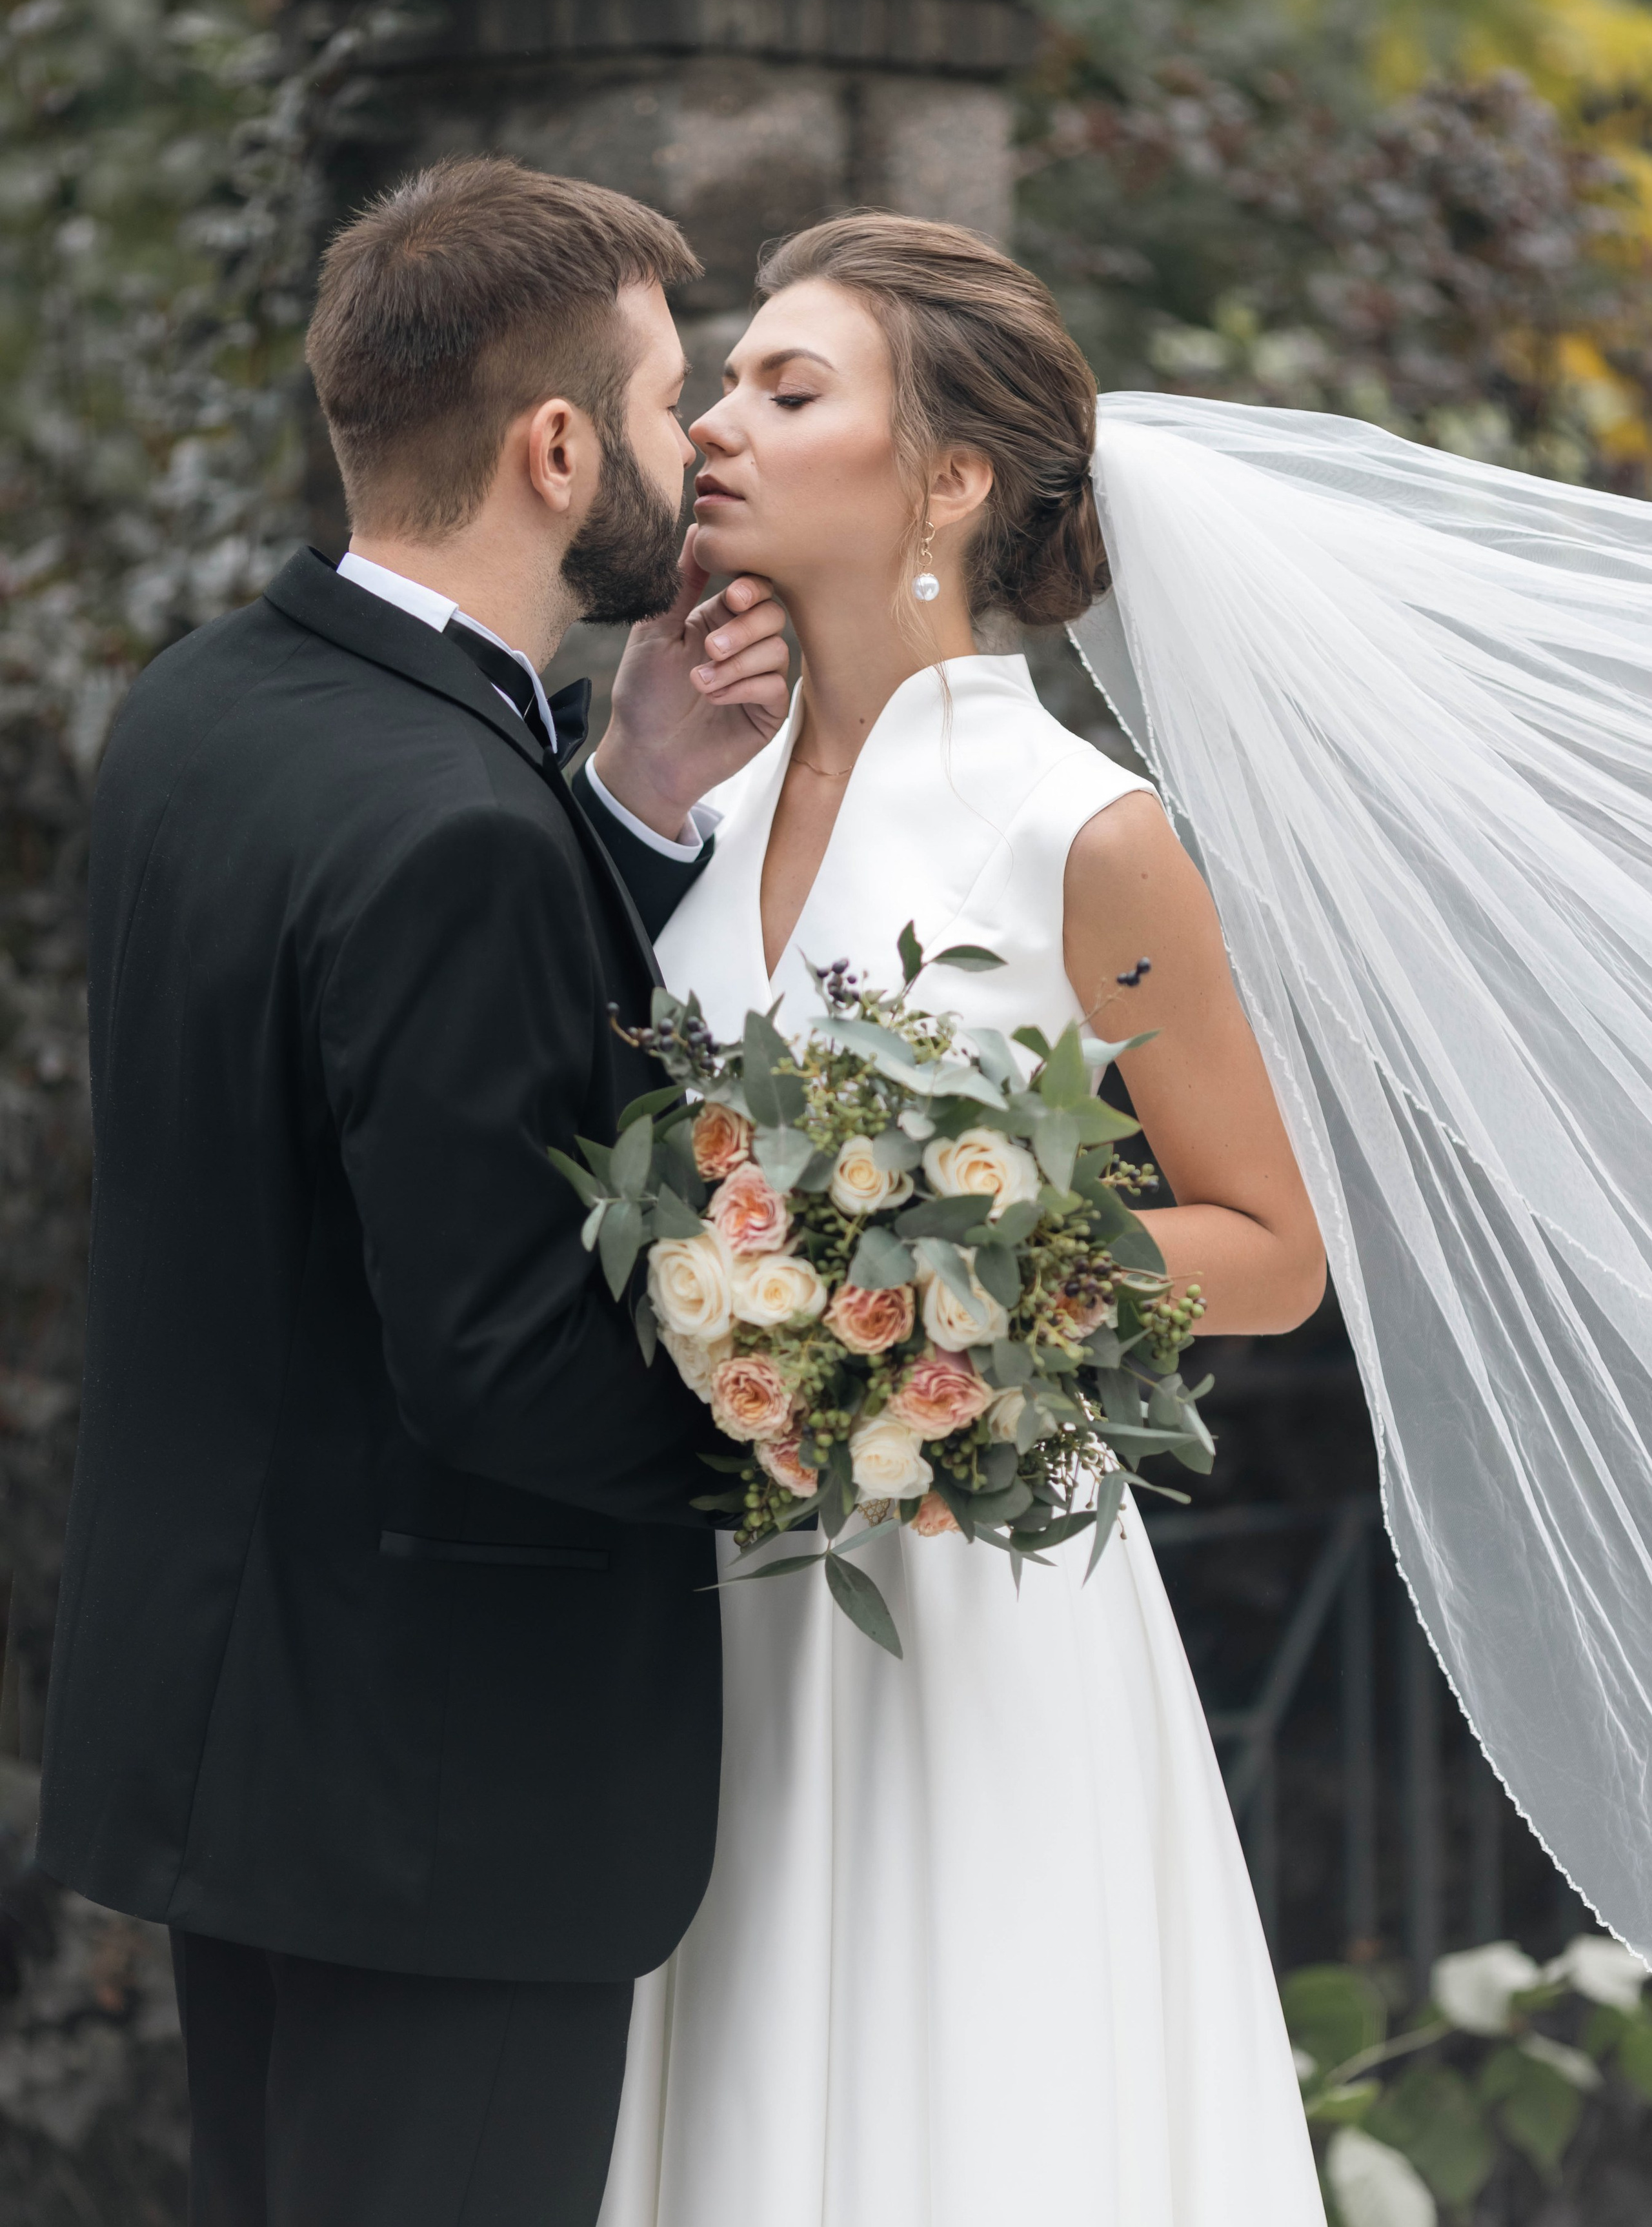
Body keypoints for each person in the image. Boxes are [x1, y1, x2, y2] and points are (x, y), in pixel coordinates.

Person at [35, 157, 791, 2227]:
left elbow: (361, 1096)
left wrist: (624, 808)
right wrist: (836, 1426)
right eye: (664, 403)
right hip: (440, 1780)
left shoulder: (218, 706)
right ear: (556, 450)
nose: (699, 442)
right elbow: (501, 1362)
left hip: (240, 1721)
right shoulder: (454, 809)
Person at [584, 212, 1331, 2226]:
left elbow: (1266, 1237)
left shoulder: (1077, 824)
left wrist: (931, 1288)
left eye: (787, 388)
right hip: (711, 1612)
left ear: (951, 477)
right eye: (722, 384)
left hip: (965, 1602)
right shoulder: (679, 803)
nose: (716, 424)